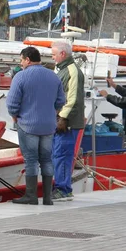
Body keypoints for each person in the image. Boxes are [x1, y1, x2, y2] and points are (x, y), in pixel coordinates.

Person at [6, 47, 66, 205]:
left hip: (27, 125)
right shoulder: (54, 77)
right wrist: (52, 114)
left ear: (27, 59)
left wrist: (15, 118)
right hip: (48, 125)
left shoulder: (21, 77)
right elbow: (61, 101)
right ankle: (47, 197)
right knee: (47, 160)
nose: (21, 63)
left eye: (21, 60)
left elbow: (12, 104)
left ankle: (31, 196)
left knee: (31, 160)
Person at [50, 41, 85, 202]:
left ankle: (63, 189)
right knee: (58, 155)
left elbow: (73, 98)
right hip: (62, 122)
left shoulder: (72, 72)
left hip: (67, 124)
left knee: (62, 155)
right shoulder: (64, 70)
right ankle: (60, 187)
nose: (52, 57)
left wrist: (63, 118)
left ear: (62, 54)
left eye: (54, 54)